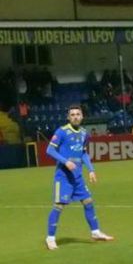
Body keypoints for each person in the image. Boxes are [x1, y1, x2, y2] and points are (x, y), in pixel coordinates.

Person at [44, 105, 115, 251]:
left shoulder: (84, 133)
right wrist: (65, 161)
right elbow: (50, 150)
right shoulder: (62, 131)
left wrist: (91, 170)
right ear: (68, 117)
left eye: (78, 114)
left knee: (88, 201)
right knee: (58, 206)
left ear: (82, 116)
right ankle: (50, 238)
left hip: (77, 176)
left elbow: (83, 153)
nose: (75, 117)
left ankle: (95, 232)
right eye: (72, 114)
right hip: (63, 176)